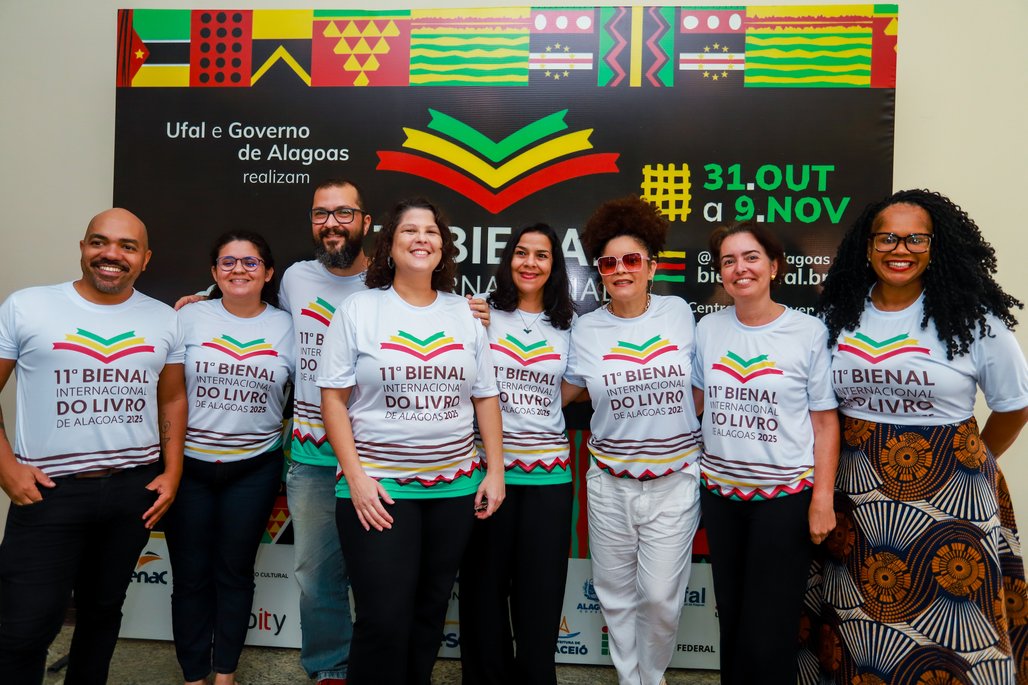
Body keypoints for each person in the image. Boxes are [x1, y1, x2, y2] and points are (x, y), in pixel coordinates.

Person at [799, 189, 1028, 683]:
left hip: (953, 500)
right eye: (886, 238)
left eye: (914, 239)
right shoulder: (835, 318)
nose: (899, 250)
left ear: (934, 246)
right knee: (860, 625)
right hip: (855, 499)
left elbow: (1013, 406)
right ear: (866, 246)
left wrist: (971, 457)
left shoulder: (976, 323)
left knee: (952, 623)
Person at [318, 197, 505, 685]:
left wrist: (496, 471)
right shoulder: (359, 309)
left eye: (432, 232)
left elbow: (485, 397)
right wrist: (356, 479)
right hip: (378, 491)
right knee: (383, 619)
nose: (422, 238)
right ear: (390, 245)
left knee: (428, 613)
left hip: (454, 490)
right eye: (409, 231)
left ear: (443, 248)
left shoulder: (465, 315)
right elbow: (333, 400)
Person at [0, 208, 186, 685]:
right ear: (83, 247)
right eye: (99, 242)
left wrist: (172, 471)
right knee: (23, 629)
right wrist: (6, 467)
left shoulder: (164, 319)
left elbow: (172, 397)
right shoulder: (27, 306)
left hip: (131, 493)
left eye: (127, 247)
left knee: (102, 616)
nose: (111, 254)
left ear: (145, 259)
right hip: (48, 490)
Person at [690, 222, 839, 685]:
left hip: (784, 499)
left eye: (751, 257)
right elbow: (694, 404)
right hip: (720, 497)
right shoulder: (708, 328)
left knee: (769, 627)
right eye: (729, 261)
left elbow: (824, 422)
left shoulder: (807, 331)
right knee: (731, 618)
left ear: (774, 266)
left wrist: (822, 499)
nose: (740, 268)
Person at [563, 196, 703, 685]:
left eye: (631, 260)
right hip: (609, 482)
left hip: (674, 482)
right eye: (608, 262)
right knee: (615, 593)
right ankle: (630, 678)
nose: (620, 269)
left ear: (651, 266)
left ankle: (652, 676)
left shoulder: (680, 314)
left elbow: (705, 387)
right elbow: (560, 390)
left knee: (661, 599)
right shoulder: (586, 328)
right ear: (599, 270)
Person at [165, 231, 294, 685]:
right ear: (214, 272)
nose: (239, 270)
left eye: (250, 262)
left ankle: (225, 674)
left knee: (235, 572)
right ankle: (194, 674)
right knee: (191, 576)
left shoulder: (288, 326)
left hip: (254, 468)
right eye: (227, 262)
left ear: (269, 272)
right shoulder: (185, 318)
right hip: (189, 467)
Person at [459, 223, 576, 685]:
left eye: (542, 255)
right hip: (488, 473)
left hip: (549, 479)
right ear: (509, 261)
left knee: (541, 594)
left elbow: (570, 389)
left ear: (554, 265)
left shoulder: (570, 327)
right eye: (521, 253)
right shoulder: (480, 316)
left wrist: (535, 409)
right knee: (483, 590)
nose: (530, 263)